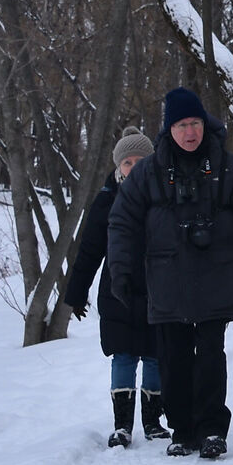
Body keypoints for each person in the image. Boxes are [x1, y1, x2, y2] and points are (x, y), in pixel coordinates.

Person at [107, 88, 233, 460]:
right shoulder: (149, 171)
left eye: (195, 123)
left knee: (211, 356)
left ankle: (213, 429)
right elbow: (121, 222)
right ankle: (183, 430)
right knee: (174, 358)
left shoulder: (228, 167)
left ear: (204, 124)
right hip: (166, 283)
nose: (190, 132)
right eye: (182, 125)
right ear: (170, 129)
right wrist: (121, 271)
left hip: (214, 279)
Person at [65, 129, 166, 447]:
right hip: (117, 292)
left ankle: (153, 423)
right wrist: (77, 292)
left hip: (158, 291)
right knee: (122, 356)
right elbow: (89, 250)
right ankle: (122, 425)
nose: (133, 167)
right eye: (127, 162)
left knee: (154, 356)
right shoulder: (106, 200)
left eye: (141, 161)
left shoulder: (164, 197)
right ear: (118, 166)